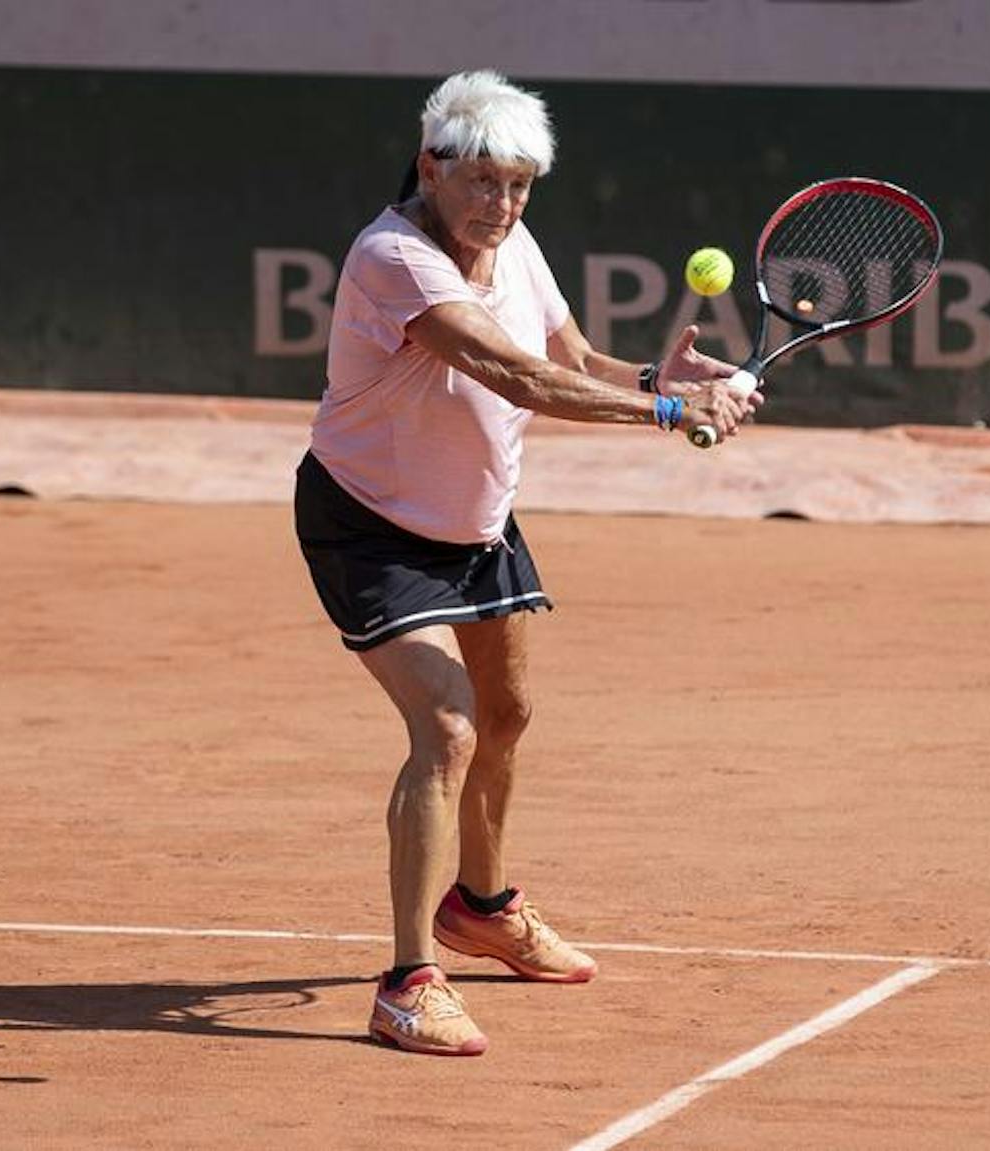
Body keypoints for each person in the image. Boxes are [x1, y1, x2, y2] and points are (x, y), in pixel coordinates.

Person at [293, 70, 759, 1057]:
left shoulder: (512, 241)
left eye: (519, 187)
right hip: (370, 523)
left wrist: (649, 377)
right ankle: (406, 981)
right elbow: (507, 371)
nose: (501, 205)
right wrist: (670, 415)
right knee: (450, 725)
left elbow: (567, 356)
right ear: (431, 163)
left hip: (478, 520)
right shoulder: (392, 257)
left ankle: (483, 905)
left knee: (505, 714)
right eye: (484, 183)